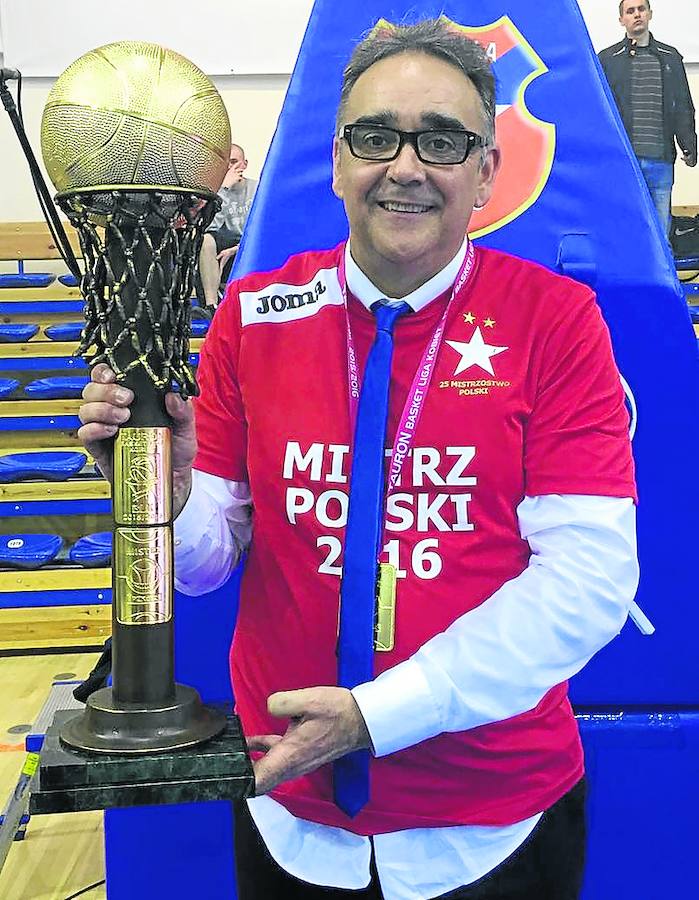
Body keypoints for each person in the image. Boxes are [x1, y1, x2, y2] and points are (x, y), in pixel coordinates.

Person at [79, 19, 639, 900]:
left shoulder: (555, 320)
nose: (406, 166)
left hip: (489, 825)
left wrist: (375, 717)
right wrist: (165, 492)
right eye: (375, 137)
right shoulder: (255, 314)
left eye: (443, 140)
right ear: (337, 161)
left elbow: (588, 583)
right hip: (288, 814)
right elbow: (200, 568)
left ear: (486, 172)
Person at [598, 1, 697, 236]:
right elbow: (600, 112)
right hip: (624, 163)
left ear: (650, 14)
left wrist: (689, 144)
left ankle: (659, 274)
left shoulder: (670, 58)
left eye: (641, 9)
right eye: (630, 11)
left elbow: (683, 106)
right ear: (621, 20)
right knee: (623, 228)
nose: (636, 15)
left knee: (661, 234)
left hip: (660, 161)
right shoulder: (607, 60)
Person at [198, 143, 257, 309]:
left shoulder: (257, 188)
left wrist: (236, 249)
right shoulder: (215, 192)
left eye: (234, 162)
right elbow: (208, 226)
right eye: (226, 163)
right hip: (220, 243)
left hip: (245, 244)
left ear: (245, 164)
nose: (230, 167)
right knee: (205, 239)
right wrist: (223, 189)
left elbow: (261, 230)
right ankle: (211, 306)